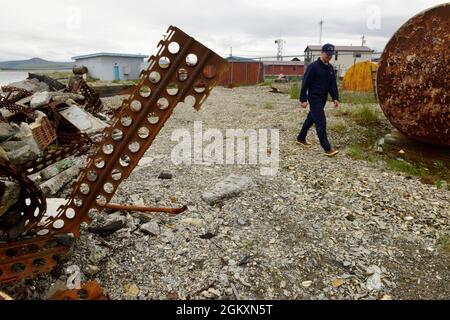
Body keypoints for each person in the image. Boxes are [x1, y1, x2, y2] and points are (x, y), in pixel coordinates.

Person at [297, 43, 340, 157]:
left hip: (323, 99)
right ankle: (327, 148)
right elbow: (305, 83)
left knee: (311, 118)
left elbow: (332, 85)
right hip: (314, 97)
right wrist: (303, 99)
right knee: (321, 121)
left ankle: (300, 138)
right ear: (322, 52)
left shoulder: (330, 68)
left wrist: (335, 97)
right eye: (327, 54)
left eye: (331, 54)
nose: (329, 56)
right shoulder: (313, 67)